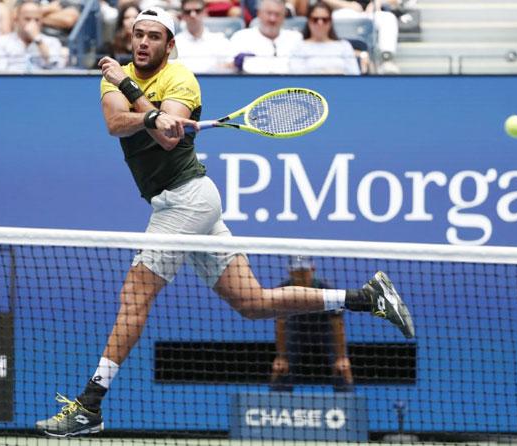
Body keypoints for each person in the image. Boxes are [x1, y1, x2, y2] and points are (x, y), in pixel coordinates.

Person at [35, 6, 414, 437]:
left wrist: (138, 98)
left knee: (135, 295)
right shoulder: (115, 76)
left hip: (188, 201)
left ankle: (90, 403)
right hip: (175, 203)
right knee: (253, 303)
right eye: (138, 34)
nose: (142, 43)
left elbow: (166, 137)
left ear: (169, 44)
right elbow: (115, 123)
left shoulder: (180, 80)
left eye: (153, 36)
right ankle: (366, 298)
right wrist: (148, 110)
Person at [270, 256, 354, 392]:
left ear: (312, 269)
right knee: (281, 368)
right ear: (290, 272)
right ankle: (277, 405)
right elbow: (280, 324)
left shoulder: (327, 291)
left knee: (342, 368)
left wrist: (342, 358)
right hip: (295, 330)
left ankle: (347, 403)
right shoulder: (282, 291)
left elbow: (337, 325)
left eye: (304, 272)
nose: (301, 276)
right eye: (298, 272)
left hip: (324, 330)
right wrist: (281, 357)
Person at [322, 0, 401, 74]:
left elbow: (395, 1)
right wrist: (348, 5)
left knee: (388, 18)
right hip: (342, 12)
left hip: (368, 13)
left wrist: (377, 2)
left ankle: (386, 59)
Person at [0, 0, 66, 71]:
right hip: (11, 83)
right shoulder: (0, 42)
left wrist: (38, 40)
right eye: (27, 19)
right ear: (16, 20)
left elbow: (56, 70)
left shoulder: (52, 42)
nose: (32, 24)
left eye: (37, 20)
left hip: (42, 84)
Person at [229, 0, 302, 73]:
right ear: (259, 13)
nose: (272, 19)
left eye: (277, 14)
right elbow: (225, 67)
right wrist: (235, 64)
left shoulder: (295, 38)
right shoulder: (241, 37)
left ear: (284, 16)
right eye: (269, 13)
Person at [288, 1, 360, 75]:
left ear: (330, 22)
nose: (320, 23)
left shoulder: (344, 46)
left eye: (325, 20)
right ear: (309, 21)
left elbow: (354, 75)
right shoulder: (299, 47)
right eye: (315, 19)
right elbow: (296, 76)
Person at [174, 0, 236, 73]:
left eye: (198, 11)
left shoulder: (219, 40)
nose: (193, 15)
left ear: (205, 13)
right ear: (182, 15)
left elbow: (231, 65)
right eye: (188, 12)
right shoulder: (174, 43)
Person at [94, 1, 140, 67]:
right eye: (127, 18)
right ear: (121, 22)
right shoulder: (109, 49)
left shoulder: (145, 47)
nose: (131, 21)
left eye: (135, 17)